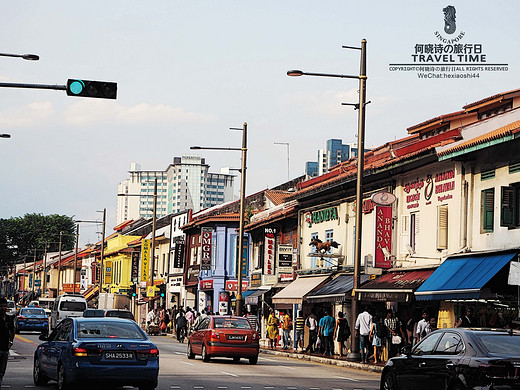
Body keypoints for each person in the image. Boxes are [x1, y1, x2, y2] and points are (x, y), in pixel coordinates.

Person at [0, 298, 14, 387]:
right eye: (1, 306)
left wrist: (11, 341)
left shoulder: (9, 319)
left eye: (4, 306)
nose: (3, 308)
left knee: (1, 372)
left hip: (5, 348)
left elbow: (13, 331)